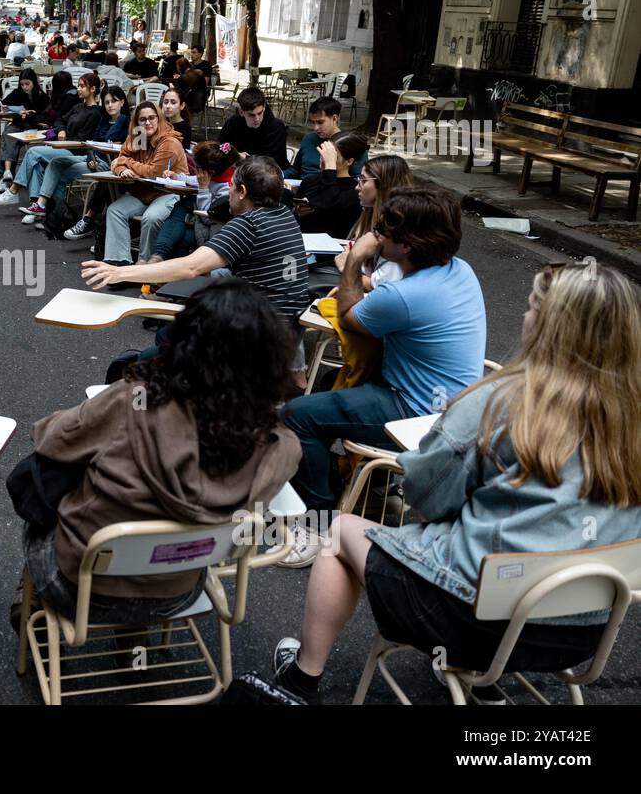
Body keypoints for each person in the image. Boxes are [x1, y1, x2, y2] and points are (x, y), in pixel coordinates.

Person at [272, 262, 641, 704]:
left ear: (550, 326)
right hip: (584, 630)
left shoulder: (499, 403)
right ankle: (480, 679)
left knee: (338, 531)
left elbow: (423, 495)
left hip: (472, 618)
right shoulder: (630, 417)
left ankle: (302, 679)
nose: (524, 317)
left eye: (530, 307)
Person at [21, 278, 301, 624]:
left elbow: (50, 439)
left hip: (82, 589)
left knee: (41, 484)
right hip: (180, 590)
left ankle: (29, 604)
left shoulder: (133, 400)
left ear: (183, 339)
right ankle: (133, 638)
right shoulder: (280, 445)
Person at [282, 187, 487, 563]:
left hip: (415, 411)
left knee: (297, 416)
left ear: (406, 245)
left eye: (382, 230)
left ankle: (316, 523)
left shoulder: (404, 297)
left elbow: (347, 316)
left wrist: (355, 262)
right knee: (329, 385)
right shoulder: (459, 271)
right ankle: (370, 487)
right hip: (458, 404)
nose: (375, 235)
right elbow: (389, 293)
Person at [83, 157, 309, 324]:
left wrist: (119, 272)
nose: (227, 191)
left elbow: (191, 267)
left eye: (231, 185)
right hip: (289, 319)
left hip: (259, 328)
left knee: (165, 344)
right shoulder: (284, 212)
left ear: (242, 191)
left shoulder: (248, 224)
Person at [0, 72, 103, 218]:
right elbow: (59, 120)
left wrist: (63, 135)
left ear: (93, 89)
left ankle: (13, 191)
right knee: (36, 163)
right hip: (63, 146)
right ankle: (36, 207)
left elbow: (82, 139)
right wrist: (62, 130)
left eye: (82, 86)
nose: (78, 89)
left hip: (75, 152)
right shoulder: (77, 107)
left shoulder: (95, 113)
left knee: (33, 152)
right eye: (78, 85)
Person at [94, 101, 189, 264]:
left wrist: (126, 163)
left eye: (151, 118)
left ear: (159, 119)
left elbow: (154, 172)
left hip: (169, 193)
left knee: (151, 217)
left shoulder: (169, 141)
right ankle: (119, 262)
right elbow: (118, 162)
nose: (147, 123)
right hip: (143, 194)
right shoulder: (138, 136)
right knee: (115, 210)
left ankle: (144, 264)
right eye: (142, 119)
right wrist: (121, 169)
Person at [57, 86, 132, 242]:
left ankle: (90, 220)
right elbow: (93, 143)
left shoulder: (128, 123)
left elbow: (110, 141)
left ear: (122, 102)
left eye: (114, 101)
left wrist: (121, 118)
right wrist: (91, 157)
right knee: (58, 166)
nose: (110, 105)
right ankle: (58, 217)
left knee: (107, 179)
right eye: (106, 102)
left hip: (115, 165)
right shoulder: (103, 120)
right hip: (95, 161)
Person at [334, 154, 415, 291]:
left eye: (363, 180)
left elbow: (381, 286)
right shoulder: (371, 214)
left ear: (383, 185)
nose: (357, 187)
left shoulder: (395, 228)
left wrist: (347, 266)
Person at [147, 141, 236, 264]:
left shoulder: (227, 188)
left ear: (210, 172)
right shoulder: (216, 175)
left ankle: (160, 259)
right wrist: (176, 177)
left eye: (198, 169)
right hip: (196, 219)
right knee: (181, 207)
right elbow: (194, 179)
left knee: (181, 236)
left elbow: (208, 217)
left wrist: (203, 188)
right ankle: (158, 256)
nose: (196, 171)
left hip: (213, 229)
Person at [296, 130, 371, 238]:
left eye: (332, 156)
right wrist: (297, 211)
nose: (323, 159)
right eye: (324, 154)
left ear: (349, 161)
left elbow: (330, 203)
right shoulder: (310, 181)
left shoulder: (355, 191)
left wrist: (329, 167)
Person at [0, 70, 51, 183]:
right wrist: (7, 108)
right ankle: (7, 171)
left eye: (27, 84)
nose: (24, 87)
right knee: (9, 134)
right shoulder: (17, 93)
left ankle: (5, 172)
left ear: (34, 83)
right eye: (22, 84)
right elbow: (0, 106)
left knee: (11, 139)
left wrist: (31, 114)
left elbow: (46, 116)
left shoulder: (42, 97)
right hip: (18, 124)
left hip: (34, 126)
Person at [288, 96, 360, 182]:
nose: (315, 128)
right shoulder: (309, 139)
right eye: (312, 122)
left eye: (320, 122)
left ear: (334, 119)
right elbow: (295, 170)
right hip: (301, 187)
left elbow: (357, 179)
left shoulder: (351, 143)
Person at [217, 87, 290, 168]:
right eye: (251, 115)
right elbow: (220, 147)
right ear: (241, 112)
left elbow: (274, 162)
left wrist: (244, 158)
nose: (257, 119)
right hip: (240, 172)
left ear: (264, 108)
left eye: (260, 113)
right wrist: (234, 154)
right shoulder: (233, 122)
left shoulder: (276, 127)